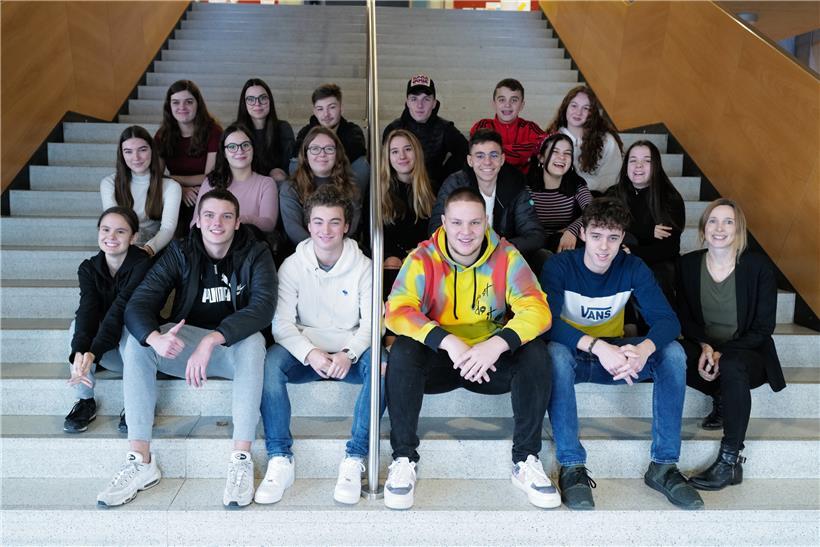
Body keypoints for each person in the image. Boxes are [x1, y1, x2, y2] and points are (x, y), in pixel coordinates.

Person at [97, 189, 277, 508]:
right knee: (138, 340)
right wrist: (155, 338)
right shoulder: (181, 251)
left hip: (231, 347)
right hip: (186, 343)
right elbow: (139, 303)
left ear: (237, 222)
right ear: (197, 220)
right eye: (208, 215)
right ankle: (140, 459)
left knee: (253, 342)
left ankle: (241, 457)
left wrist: (212, 339)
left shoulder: (256, 252)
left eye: (226, 216)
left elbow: (262, 308)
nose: (216, 223)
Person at [383, 187, 557, 511]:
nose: (466, 232)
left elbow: (538, 309)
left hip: (489, 362)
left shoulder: (506, 256)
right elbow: (397, 310)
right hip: (441, 361)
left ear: (486, 221)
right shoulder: (422, 257)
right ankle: (404, 458)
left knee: (535, 353)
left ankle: (526, 460)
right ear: (445, 222)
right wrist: (447, 342)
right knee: (404, 351)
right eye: (458, 223)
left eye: (475, 223)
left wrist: (497, 344)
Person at [540, 197, 703, 511]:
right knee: (555, 355)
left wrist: (642, 350)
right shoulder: (560, 265)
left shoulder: (632, 266)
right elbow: (547, 324)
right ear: (584, 233)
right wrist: (600, 348)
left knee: (673, 354)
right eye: (598, 236)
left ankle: (664, 465)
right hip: (581, 357)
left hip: (618, 357)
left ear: (622, 240)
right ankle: (572, 466)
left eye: (613, 238)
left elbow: (668, 321)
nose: (604, 247)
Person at [256, 185, 384, 506]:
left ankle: (355, 457)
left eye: (333, 222)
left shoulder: (364, 266)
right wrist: (310, 353)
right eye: (318, 222)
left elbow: (373, 322)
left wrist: (349, 352)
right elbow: (281, 324)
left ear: (346, 226)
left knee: (384, 365)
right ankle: (280, 457)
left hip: (349, 354)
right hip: (305, 352)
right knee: (269, 364)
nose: (325, 230)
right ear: (308, 224)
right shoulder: (291, 266)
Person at [676, 198, 785, 490]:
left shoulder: (757, 267)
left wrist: (721, 353)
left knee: (732, 365)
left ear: (739, 230)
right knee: (670, 355)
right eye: (713, 220)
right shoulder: (687, 265)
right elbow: (683, 316)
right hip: (706, 348)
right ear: (703, 228)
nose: (719, 228)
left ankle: (729, 460)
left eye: (728, 222)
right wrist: (704, 346)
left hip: (749, 353)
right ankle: (722, 399)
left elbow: (764, 327)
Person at [63, 207, 152, 433]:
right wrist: (80, 353)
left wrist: (93, 352)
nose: (111, 237)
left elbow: (122, 310)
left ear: (133, 237)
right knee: (76, 326)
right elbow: (87, 311)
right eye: (105, 229)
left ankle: (136, 403)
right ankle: (85, 400)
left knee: (131, 330)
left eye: (120, 232)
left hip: (138, 350)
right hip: (106, 348)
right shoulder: (88, 268)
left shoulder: (143, 265)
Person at [429, 130, 544, 259]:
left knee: (542, 256)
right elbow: (436, 229)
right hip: (462, 255)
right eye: (480, 156)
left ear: (502, 159)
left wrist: (497, 249)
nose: (487, 162)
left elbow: (535, 235)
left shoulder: (516, 184)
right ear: (470, 160)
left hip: (503, 256)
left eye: (494, 155)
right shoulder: (455, 184)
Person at [607, 140, 685, 300]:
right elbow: (607, 230)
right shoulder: (613, 194)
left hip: (656, 260)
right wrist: (648, 231)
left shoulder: (669, 198)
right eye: (633, 160)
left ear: (656, 165)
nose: (638, 165)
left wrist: (634, 252)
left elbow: (669, 248)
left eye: (646, 161)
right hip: (618, 255)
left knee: (658, 275)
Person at [154, 80, 222, 236]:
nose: (182, 107)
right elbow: (155, 175)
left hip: (205, 190)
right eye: (176, 102)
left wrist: (172, 179)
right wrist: (179, 190)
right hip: (175, 193)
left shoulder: (213, 132)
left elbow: (209, 177)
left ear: (198, 104)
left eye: (188, 102)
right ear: (169, 107)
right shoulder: (162, 136)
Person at [100, 126, 181, 257]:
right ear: (122, 154)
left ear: (152, 151)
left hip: (155, 246)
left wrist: (147, 250)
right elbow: (114, 223)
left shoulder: (171, 186)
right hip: (121, 243)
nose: (136, 157)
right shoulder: (108, 183)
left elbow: (167, 229)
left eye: (142, 150)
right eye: (128, 151)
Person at [382, 74, 468, 191]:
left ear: (434, 103)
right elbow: (384, 166)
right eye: (414, 99)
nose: (419, 105)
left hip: (432, 189)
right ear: (407, 102)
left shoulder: (445, 129)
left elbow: (466, 152)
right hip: (397, 189)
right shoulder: (393, 129)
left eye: (426, 99)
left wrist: (443, 175)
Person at [191, 123, 278, 235]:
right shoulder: (211, 182)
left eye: (245, 145)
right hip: (212, 242)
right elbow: (194, 223)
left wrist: (238, 219)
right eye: (232, 147)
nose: (240, 151)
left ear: (253, 149)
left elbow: (269, 224)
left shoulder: (266, 183)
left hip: (249, 245)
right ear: (225, 153)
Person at [279, 127, 360, 246]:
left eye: (329, 149)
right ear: (305, 155)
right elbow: (293, 228)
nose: (322, 154)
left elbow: (352, 224)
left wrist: (334, 249)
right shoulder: (290, 188)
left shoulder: (351, 186)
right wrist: (319, 249)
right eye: (315, 149)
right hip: (304, 251)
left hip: (342, 249)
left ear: (337, 154)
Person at [379, 129, 436, 298]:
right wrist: (389, 256)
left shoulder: (433, 188)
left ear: (416, 152)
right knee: (392, 266)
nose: (402, 156)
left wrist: (416, 254)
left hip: (423, 256)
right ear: (388, 158)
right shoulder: (377, 191)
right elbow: (372, 234)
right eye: (394, 152)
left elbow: (437, 232)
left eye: (407, 149)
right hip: (392, 260)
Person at [293, 83, 369, 194]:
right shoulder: (306, 132)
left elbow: (357, 149)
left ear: (341, 108)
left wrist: (322, 157)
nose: (326, 114)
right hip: (312, 183)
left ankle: (351, 207)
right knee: (294, 163)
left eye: (332, 107)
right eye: (320, 109)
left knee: (362, 164)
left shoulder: (352, 130)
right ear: (314, 111)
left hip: (342, 183)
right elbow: (297, 152)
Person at [546, 85, 623, 194]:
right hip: (559, 199)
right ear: (565, 107)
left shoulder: (607, 141)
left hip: (596, 200)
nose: (578, 112)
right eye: (574, 106)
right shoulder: (550, 139)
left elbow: (611, 178)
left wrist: (580, 187)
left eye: (586, 108)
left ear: (592, 113)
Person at [526, 132, 592, 254]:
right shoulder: (526, 187)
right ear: (541, 158)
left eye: (567, 153)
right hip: (533, 246)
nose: (562, 157)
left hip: (566, 243)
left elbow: (593, 211)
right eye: (555, 152)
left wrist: (571, 230)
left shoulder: (576, 184)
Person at [470, 78, 546, 174]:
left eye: (514, 100)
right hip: (488, 177)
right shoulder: (483, 125)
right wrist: (523, 154)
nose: (507, 105)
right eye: (502, 100)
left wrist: (498, 151)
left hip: (523, 182)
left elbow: (547, 145)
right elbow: (479, 153)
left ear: (522, 105)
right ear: (494, 104)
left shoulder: (530, 127)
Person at [236, 78, 295, 183]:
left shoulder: (283, 128)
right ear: (244, 104)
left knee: (278, 175)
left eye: (262, 98)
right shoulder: (236, 132)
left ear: (270, 101)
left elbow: (289, 167)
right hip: (247, 183)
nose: (257, 104)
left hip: (278, 185)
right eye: (250, 99)